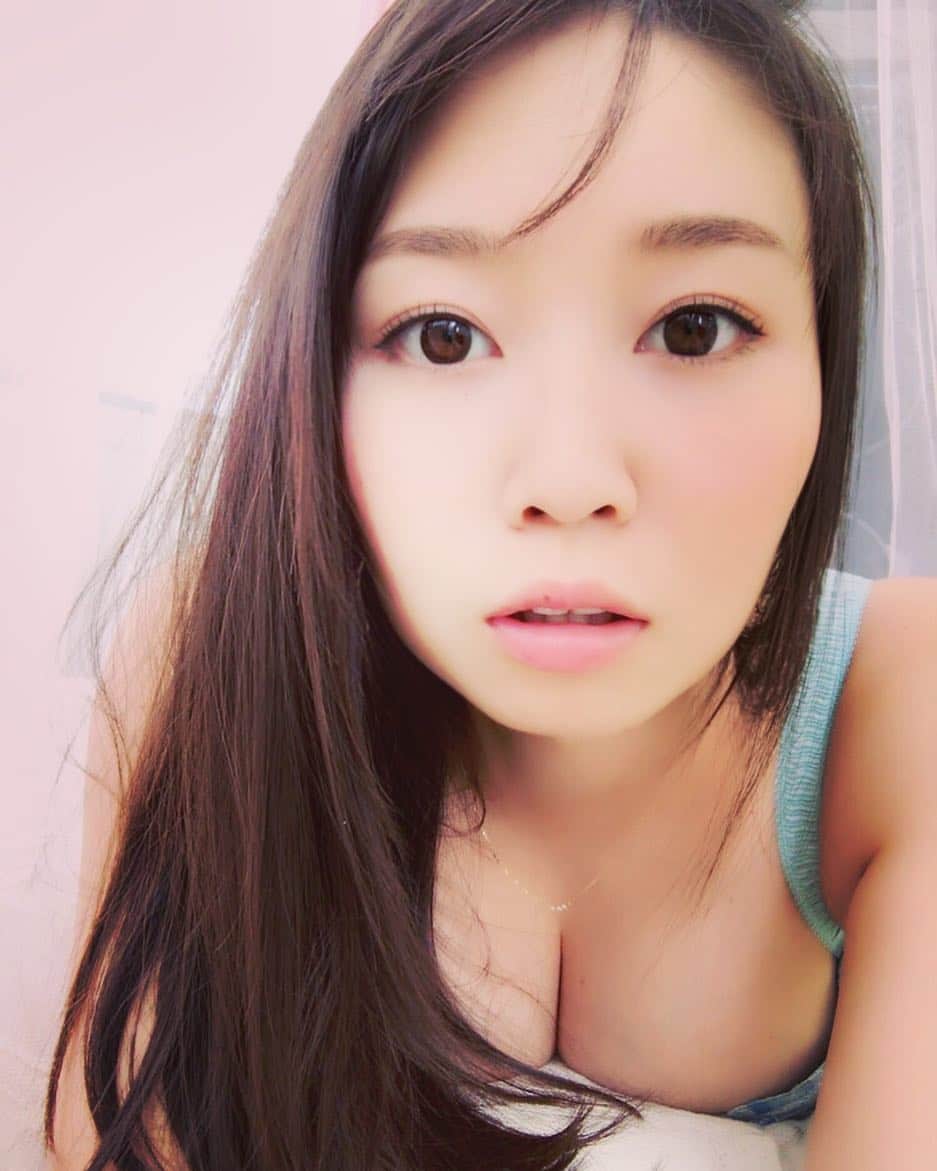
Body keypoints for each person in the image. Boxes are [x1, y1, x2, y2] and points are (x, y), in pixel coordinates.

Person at [42, 2, 937, 1169]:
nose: (569, 480)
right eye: (443, 336)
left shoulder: (900, 701)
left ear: (823, 358)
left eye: (695, 327)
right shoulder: (206, 654)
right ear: (317, 371)